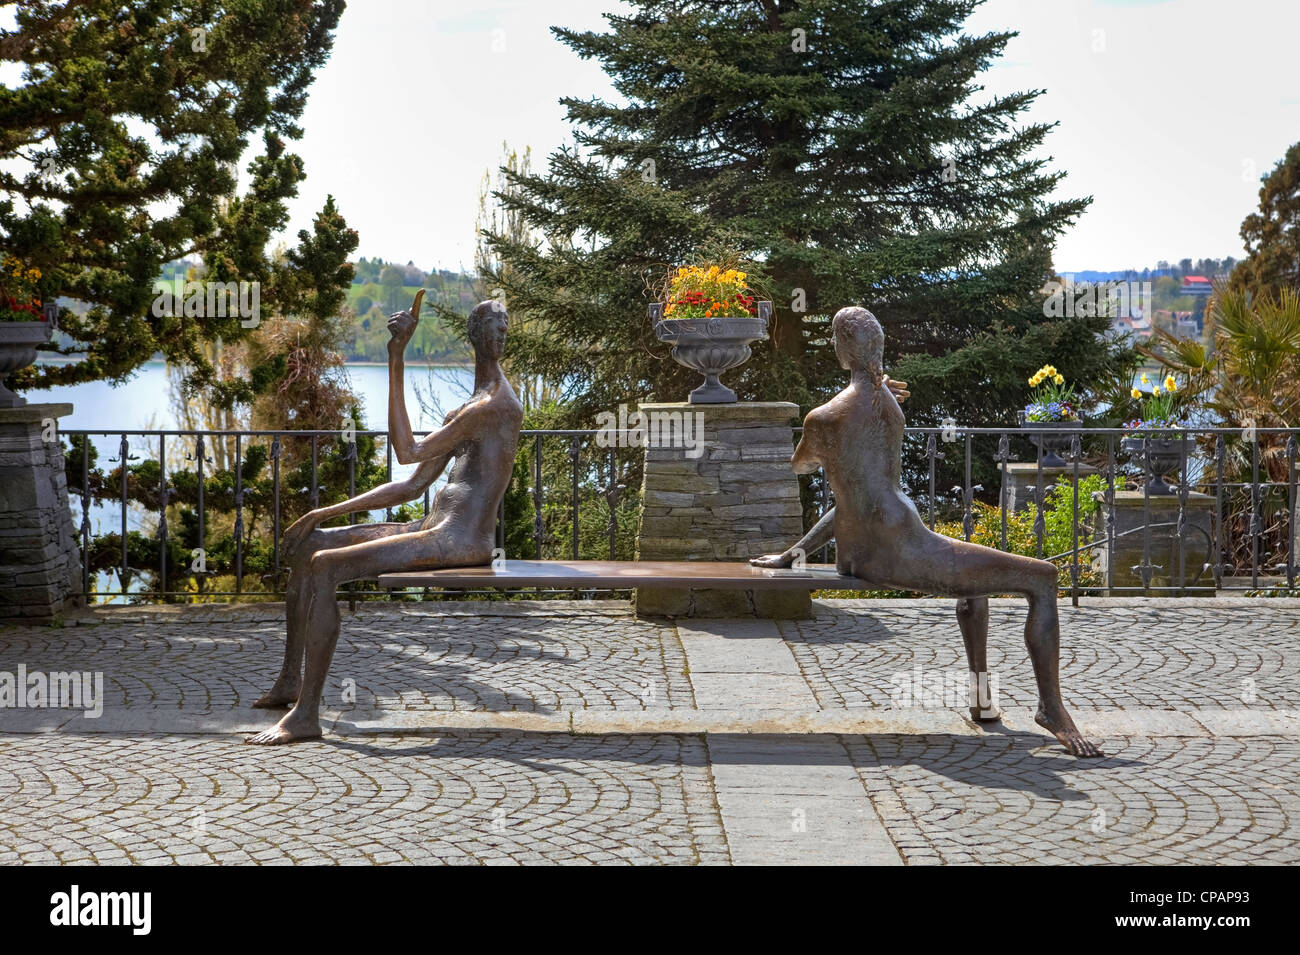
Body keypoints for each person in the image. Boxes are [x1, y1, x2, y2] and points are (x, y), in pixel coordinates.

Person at [751, 306, 1101, 757]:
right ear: (877, 349)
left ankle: (981, 699)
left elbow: (814, 473)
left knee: (975, 584)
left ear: (841, 349)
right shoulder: (882, 406)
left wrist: (792, 552)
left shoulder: (829, 417)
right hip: (899, 550)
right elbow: (851, 484)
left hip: (865, 550)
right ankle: (1051, 708)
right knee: (1043, 577)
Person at [247, 294, 523, 745]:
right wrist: (323, 511)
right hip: (432, 528)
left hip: (460, 539)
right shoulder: (470, 407)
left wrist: (395, 358)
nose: (501, 333)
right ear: (474, 335)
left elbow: (406, 450)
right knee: (310, 546)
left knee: (326, 565)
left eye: (505, 326)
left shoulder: (494, 407)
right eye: (493, 325)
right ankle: (288, 683)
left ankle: (307, 715)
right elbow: (411, 486)